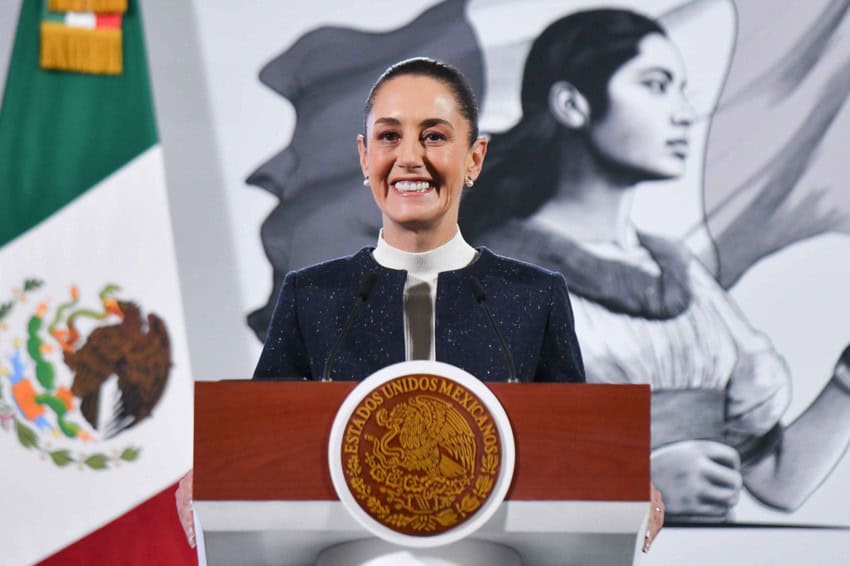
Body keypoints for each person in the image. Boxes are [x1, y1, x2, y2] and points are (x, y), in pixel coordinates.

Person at [251, 57, 664, 551]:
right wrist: (213, 471)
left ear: (474, 158)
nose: (408, 157)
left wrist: (618, 477)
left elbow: (570, 446)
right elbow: (255, 445)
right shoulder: (311, 297)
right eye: (388, 137)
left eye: (434, 136)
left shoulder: (533, 297)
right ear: (365, 158)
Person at [462, 8, 850, 522]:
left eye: (682, 88)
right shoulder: (493, 279)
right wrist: (634, 485)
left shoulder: (681, 274)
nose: (686, 113)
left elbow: (778, 481)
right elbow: (461, 476)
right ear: (572, 104)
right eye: (656, 85)